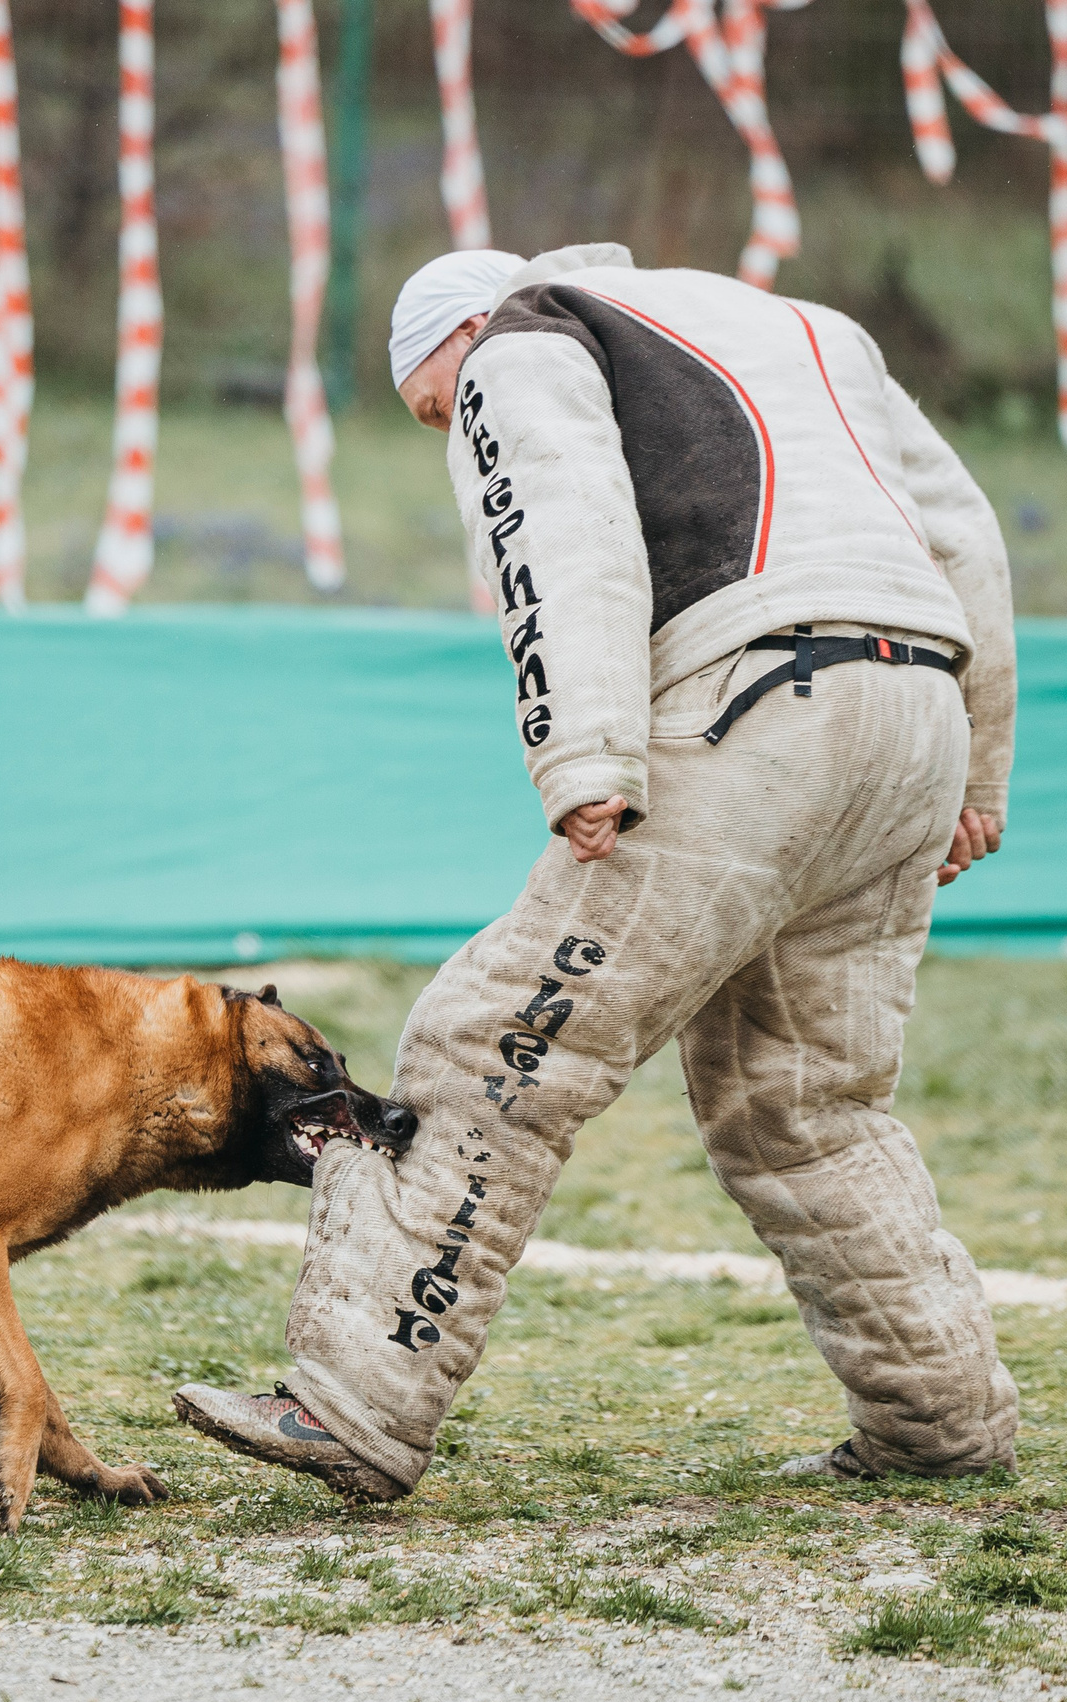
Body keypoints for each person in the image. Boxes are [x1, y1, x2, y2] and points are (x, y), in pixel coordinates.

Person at [172, 243, 1021, 1498]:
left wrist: (583, 750)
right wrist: (979, 773)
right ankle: (939, 1424)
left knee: (493, 1044)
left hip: (760, 699)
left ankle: (353, 1402)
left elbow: (560, 525)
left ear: (453, 343)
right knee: (809, 1107)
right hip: (915, 708)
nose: (451, 433)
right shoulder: (804, 325)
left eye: (436, 407)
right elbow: (965, 537)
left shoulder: (525, 330)